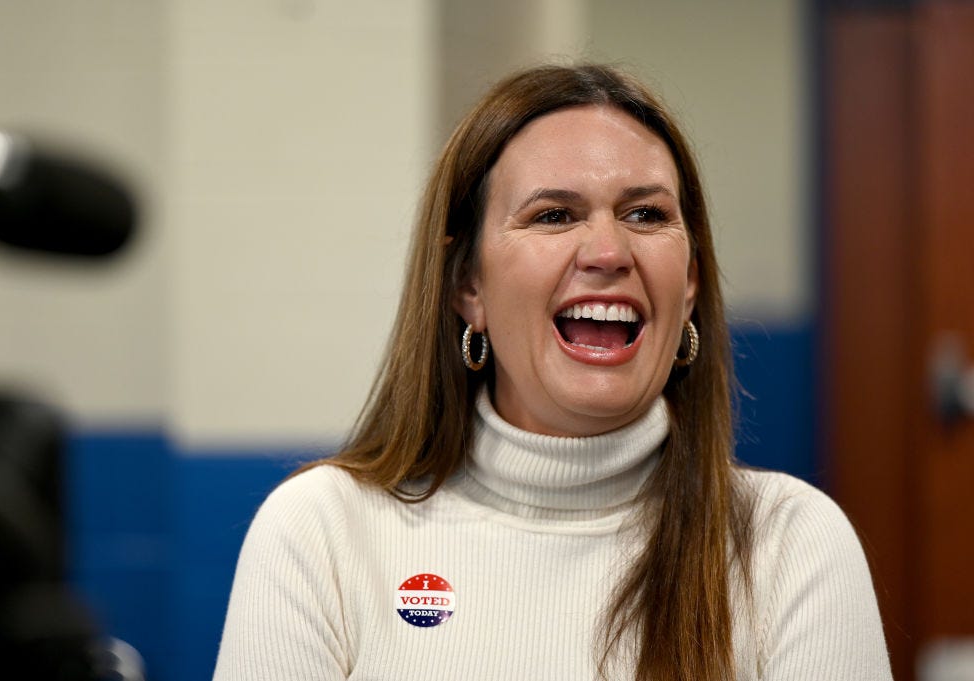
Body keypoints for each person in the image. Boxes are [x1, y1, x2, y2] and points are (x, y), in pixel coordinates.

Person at [212, 64, 892, 681]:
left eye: (646, 214)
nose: (606, 250)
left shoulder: (791, 546)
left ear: (688, 281)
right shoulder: (322, 533)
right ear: (467, 283)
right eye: (555, 214)